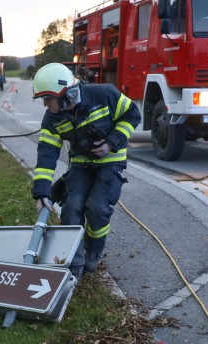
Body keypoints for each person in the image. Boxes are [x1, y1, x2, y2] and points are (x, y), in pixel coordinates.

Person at [31, 63, 141, 278]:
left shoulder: (104, 95)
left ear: (65, 95)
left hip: (111, 162)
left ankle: (93, 249)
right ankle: (74, 258)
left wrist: (111, 142)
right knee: (72, 208)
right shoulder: (53, 118)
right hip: (81, 165)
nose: (45, 104)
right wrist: (42, 192)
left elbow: (132, 114)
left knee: (97, 208)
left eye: (47, 98)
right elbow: (46, 155)